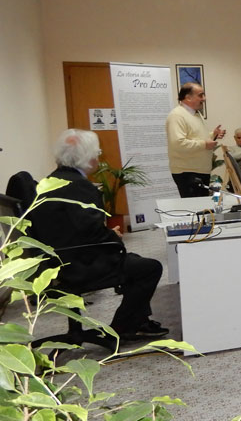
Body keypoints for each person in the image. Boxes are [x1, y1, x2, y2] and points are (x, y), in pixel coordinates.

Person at [29, 129, 167, 341]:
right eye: (96, 152)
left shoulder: (50, 182)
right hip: (81, 264)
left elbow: (75, 228)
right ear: (86, 157)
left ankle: (138, 321)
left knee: (135, 262)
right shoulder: (80, 187)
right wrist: (113, 235)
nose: (98, 157)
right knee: (150, 268)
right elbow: (92, 232)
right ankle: (121, 328)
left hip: (57, 262)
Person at [165, 83, 225, 197]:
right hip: (188, 173)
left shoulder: (196, 114)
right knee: (195, 209)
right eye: (201, 95)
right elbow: (178, 143)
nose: (204, 99)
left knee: (200, 208)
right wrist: (204, 144)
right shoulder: (177, 116)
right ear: (188, 97)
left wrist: (213, 135)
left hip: (198, 171)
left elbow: (197, 138)